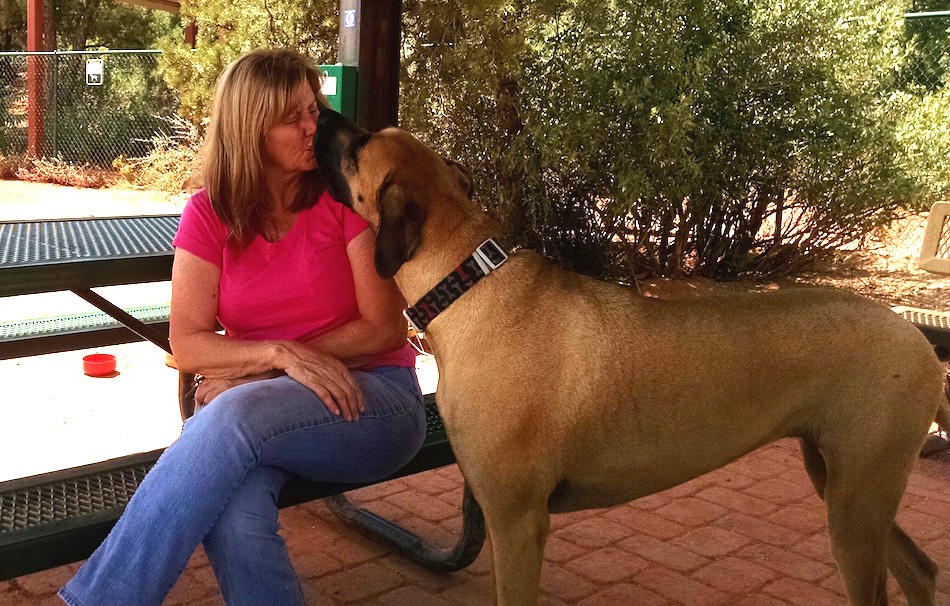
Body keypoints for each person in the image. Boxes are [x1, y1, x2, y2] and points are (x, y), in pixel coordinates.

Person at [59, 48, 425, 606]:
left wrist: (257, 373)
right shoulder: (209, 214)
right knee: (232, 507)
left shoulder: (342, 199)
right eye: (294, 118)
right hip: (267, 415)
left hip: (375, 401)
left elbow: (383, 330)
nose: (315, 127)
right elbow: (188, 342)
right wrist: (277, 358)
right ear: (250, 129)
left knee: (228, 413)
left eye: (315, 109)